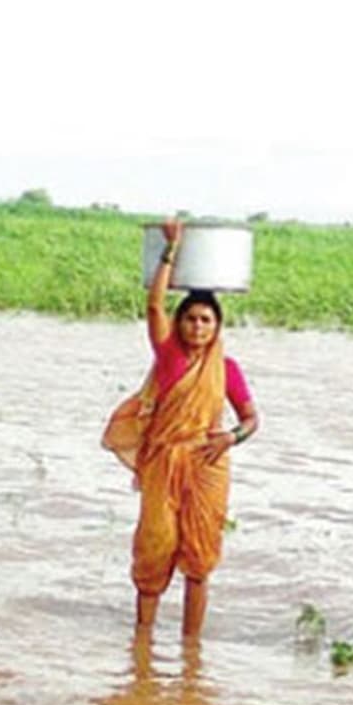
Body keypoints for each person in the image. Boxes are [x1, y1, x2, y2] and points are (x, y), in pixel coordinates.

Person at [103, 219, 259, 642]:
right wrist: (170, 251)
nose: (197, 328)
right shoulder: (170, 357)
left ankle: (192, 648)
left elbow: (251, 419)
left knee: (200, 556)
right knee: (155, 544)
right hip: (164, 460)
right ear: (181, 323)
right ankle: (143, 640)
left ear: (217, 326)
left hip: (207, 464)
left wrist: (231, 437)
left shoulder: (225, 369)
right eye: (190, 319)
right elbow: (154, 307)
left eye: (206, 321)